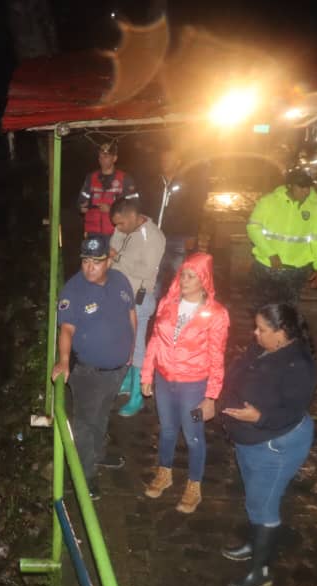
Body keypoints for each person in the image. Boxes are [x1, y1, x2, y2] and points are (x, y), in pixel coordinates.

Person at [219, 303, 317, 586]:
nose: (255, 333)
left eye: (262, 329)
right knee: (254, 496)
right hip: (250, 440)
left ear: (282, 332)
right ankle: (254, 543)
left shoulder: (299, 366)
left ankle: (260, 571)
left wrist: (259, 418)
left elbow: (291, 412)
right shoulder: (264, 347)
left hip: (277, 445)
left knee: (265, 506)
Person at [140, 253, 230, 513]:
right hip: (164, 380)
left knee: (193, 436)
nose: (184, 280)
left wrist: (211, 396)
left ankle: (194, 485)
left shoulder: (216, 314)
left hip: (193, 386)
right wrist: (147, 374)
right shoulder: (168, 303)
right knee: (167, 429)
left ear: (204, 279)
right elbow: (155, 340)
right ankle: (164, 472)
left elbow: (217, 357)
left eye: (191, 276)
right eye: (183, 274)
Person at [52, 236, 137, 497]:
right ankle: (83, 476)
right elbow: (66, 329)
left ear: (108, 260)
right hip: (89, 372)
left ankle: (97, 455)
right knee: (85, 424)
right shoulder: (73, 291)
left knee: (101, 416)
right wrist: (64, 361)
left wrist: (131, 352)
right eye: (85, 261)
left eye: (96, 262)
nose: (90, 267)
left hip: (116, 370)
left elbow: (131, 314)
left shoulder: (121, 280)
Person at [109, 195, 166, 417]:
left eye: (120, 223)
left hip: (139, 300)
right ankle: (128, 381)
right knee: (126, 342)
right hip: (121, 295)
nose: (118, 228)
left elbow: (146, 270)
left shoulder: (153, 236)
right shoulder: (124, 229)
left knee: (138, 347)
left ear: (133, 216)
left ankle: (137, 395)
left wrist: (119, 258)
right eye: (115, 225)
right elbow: (113, 247)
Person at [245, 168, 317, 310]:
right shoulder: (268, 202)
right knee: (261, 309)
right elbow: (253, 228)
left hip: (296, 271)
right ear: (289, 186)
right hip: (266, 266)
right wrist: (270, 253)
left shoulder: (314, 208)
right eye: (301, 187)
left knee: (287, 311)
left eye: (308, 187)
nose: (306, 191)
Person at [140, 147, 209, 296]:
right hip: (156, 236)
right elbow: (145, 207)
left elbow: (194, 210)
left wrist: (192, 234)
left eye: (169, 160)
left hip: (178, 238)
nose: (165, 163)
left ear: (178, 162)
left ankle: (176, 305)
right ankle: (154, 308)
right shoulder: (154, 183)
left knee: (179, 274)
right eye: (163, 160)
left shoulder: (187, 184)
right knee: (154, 274)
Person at [78, 140, 135, 240]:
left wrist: (111, 210)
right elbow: (81, 202)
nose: (102, 160)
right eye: (100, 157)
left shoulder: (125, 179)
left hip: (117, 233)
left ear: (114, 158)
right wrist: (82, 206)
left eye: (106, 157)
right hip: (93, 233)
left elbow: (134, 206)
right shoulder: (91, 177)